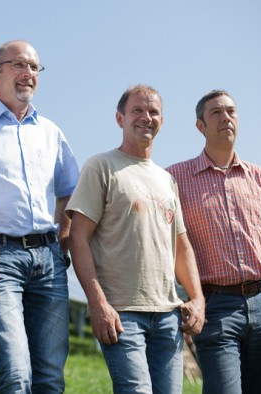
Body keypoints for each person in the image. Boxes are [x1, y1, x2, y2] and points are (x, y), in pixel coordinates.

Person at [167, 89, 261, 394]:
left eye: (231, 111)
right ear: (200, 126)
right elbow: (168, 247)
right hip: (214, 305)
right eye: (216, 113)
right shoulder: (174, 179)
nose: (226, 117)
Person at [67, 84, 205, 394]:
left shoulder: (166, 179)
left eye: (153, 111)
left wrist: (197, 299)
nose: (146, 117)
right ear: (120, 118)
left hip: (168, 315)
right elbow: (78, 238)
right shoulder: (101, 166)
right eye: (137, 111)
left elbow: (181, 245)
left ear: (162, 120)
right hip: (121, 313)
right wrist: (98, 303)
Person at [0, 40, 79, 393]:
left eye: (34, 67)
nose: (28, 73)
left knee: (50, 378)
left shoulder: (51, 132)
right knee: (15, 375)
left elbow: (69, 192)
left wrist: (62, 241)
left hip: (49, 260)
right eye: (18, 65)